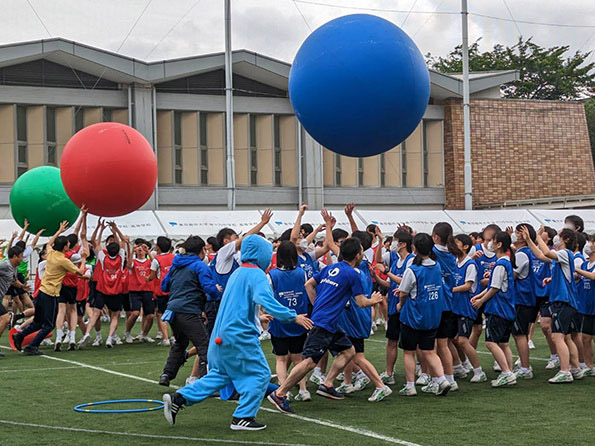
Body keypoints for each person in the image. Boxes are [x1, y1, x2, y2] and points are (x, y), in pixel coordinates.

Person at [162, 235, 312, 431]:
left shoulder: (237, 272)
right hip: (239, 335)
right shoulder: (256, 274)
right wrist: (293, 317)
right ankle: (243, 417)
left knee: (220, 375)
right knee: (261, 375)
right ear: (262, 254)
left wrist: (260, 318)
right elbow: (267, 301)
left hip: (221, 334)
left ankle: (179, 397)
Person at [268, 237, 383, 413]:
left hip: (327, 321)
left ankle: (327, 383)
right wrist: (373, 300)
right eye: (361, 251)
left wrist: (317, 306)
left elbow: (309, 284)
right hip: (324, 323)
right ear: (357, 255)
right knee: (309, 362)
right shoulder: (353, 274)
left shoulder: (331, 268)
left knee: (349, 351)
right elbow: (360, 303)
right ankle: (280, 393)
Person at [13, 221, 88, 355]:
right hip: (51, 294)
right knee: (49, 325)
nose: (69, 245)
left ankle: (19, 336)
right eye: (68, 244)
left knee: (37, 322)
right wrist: (83, 258)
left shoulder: (51, 253)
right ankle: (31, 347)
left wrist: (59, 231)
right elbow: (81, 272)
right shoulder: (63, 260)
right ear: (65, 247)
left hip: (42, 291)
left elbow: (49, 243)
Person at [522, 226, 583, 383]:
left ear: (566, 240)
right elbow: (541, 255)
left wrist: (538, 237)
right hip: (565, 301)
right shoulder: (562, 256)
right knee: (567, 337)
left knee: (558, 337)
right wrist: (529, 240)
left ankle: (565, 371)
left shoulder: (564, 253)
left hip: (564, 301)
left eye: (560, 236)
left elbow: (547, 253)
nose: (557, 237)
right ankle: (575, 368)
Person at [158, 236, 221, 387]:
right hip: (189, 310)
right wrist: (217, 291)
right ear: (202, 250)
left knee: (180, 343)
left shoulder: (176, 265)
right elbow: (209, 288)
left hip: (172, 310)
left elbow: (164, 286)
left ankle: (166, 374)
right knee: (204, 345)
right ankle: (206, 382)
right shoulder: (199, 266)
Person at [397, 233, 451, 397]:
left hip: (414, 316)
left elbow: (404, 292)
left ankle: (410, 385)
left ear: (414, 248)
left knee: (409, 351)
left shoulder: (412, 270)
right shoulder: (436, 266)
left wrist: (400, 303)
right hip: (432, 316)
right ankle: (442, 380)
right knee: (429, 351)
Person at [207, 209, 273, 336]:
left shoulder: (234, 257)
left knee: (221, 338)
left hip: (226, 301)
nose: (239, 239)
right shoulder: (224, 251)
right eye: (235, 237)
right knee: (215, 339)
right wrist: (262, 223)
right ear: (226, 241)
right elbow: (246, 239)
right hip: (219, 302)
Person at [471, 231, 517, 387]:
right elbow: (492, 285)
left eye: (492, 241)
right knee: (503, 343)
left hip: (498, 309)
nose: (489, 243)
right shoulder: (505, 262)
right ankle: (509, 372)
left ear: (499, 245)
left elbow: (495, 288)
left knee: (491, 343)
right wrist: (479, 296)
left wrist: (481, 301)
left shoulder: (501, 264)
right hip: (506, 309)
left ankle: (507, 373)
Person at [267, 240, 311, 402]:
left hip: (279, 321)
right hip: (300, 320)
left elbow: (267, 298)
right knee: (299, 358)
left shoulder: (272, 275)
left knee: (281, 358)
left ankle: (283, 390)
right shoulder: (302, 273)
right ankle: (304, 390)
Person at [376, 229, 414, 385]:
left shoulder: (411, 260)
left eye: (395, 241)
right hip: (394, 307)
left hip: (406, 307)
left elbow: (404, 282)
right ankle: (389, 373)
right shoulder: (395, 259)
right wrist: (377, 277)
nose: (392, 244)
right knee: (391, 341)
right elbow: (390, 283)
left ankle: (420, 374)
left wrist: (386, 271)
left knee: (411, 345)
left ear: (403, 244)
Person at [79, 222, 126, 348]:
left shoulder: (103, 258)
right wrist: (115, 229)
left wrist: (100, 228)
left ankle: (87, 333)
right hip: (116, 291)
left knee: (95, 313)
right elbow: (123, 242)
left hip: (103, 290)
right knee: (115, 316)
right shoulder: (121, 258)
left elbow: (95, 242)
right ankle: (110, 338)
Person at [431, 222, 461, 392]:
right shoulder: (452, 253)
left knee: (433, 345)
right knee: (444, 344)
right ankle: (450, 378)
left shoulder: (433, 252)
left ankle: (437, 379)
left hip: (437, 303)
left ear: (436, 237)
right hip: (450, 302)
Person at [452, 234, 486, 383]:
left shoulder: (470, 265)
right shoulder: (455, 263)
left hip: (466, 307)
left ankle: (478, 370)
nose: (453, 246)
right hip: (456, 307)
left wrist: (450, 290)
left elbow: (467, 285)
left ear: (465, 247)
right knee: (453, 339)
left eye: (456, 243)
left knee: (462, 340)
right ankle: (462, 365)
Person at [511, 224, 539, 380]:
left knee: (519, 334)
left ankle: (525, 367)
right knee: (521, 333)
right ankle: (524, 363)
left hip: (521, 298)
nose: (515, 234)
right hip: (529, 297)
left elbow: (513, 276)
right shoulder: (530, 252)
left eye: (518, 232)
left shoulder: (522, 254)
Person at [126, 239, 155, 343]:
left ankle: (145, 334)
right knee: (135, 313)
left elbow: (155, 264)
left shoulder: (148, 261)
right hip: (135, 290)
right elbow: (129, 265)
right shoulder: (134, 261)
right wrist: (132, 252)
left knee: (151, 315)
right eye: (139, 248)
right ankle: (128, 332)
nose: (140, 250)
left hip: (148, 290)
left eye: (142, 248)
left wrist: (148, 252)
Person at [149, 236, 175, 346]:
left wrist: (147, 278)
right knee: (174, 314)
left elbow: (151, 276)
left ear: (158, 247)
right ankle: (174, 337)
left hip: (162, 290)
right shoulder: (174, 257)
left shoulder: (156, 260)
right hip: (174, 289)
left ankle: (165, 338)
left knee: (161, 314)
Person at [0, 246, 26, 357]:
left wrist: (22, 286)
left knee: (4, 319)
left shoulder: (14, 268)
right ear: (15, 256)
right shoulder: (5, 265)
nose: (22, 259)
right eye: (21, 256)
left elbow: (13, 280)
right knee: (5, 318)